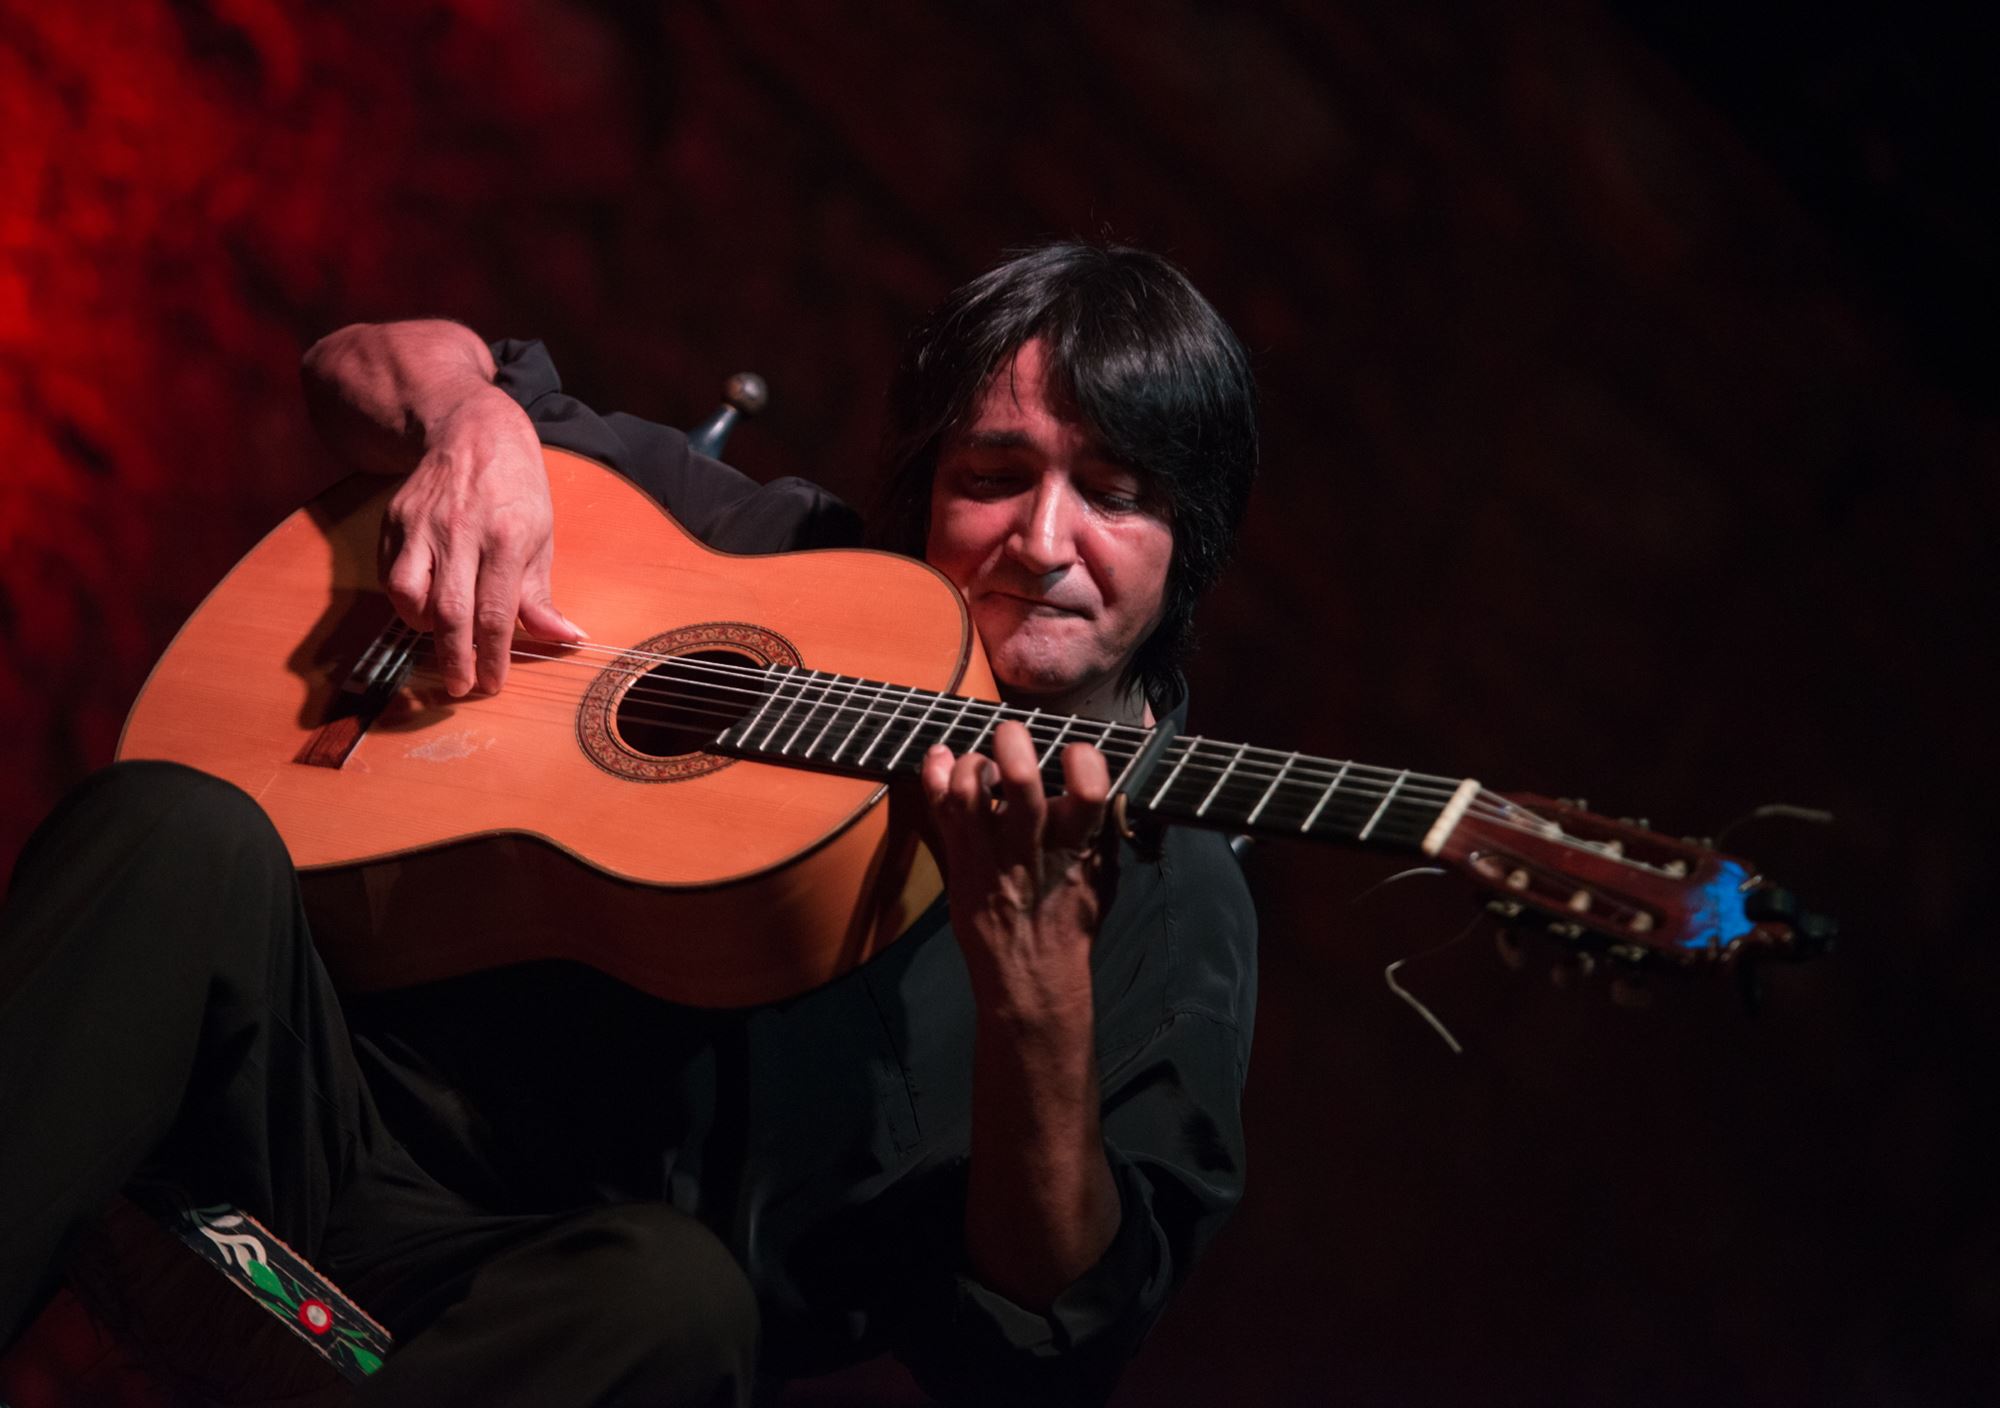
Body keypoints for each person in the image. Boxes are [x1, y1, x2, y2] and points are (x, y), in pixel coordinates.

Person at [0, 242, 1258, 1405]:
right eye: (991, 478)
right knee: (175, 830)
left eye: (1112, 496)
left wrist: (1036, 1003)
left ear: (1185, 540)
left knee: (674, 1294)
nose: (1042, 542)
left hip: (544, 1308)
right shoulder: (773, 552)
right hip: (312, 1103)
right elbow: (357, 362)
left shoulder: (1174, 891)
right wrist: (470, 423)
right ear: (924, 485)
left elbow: (1064, 1335)